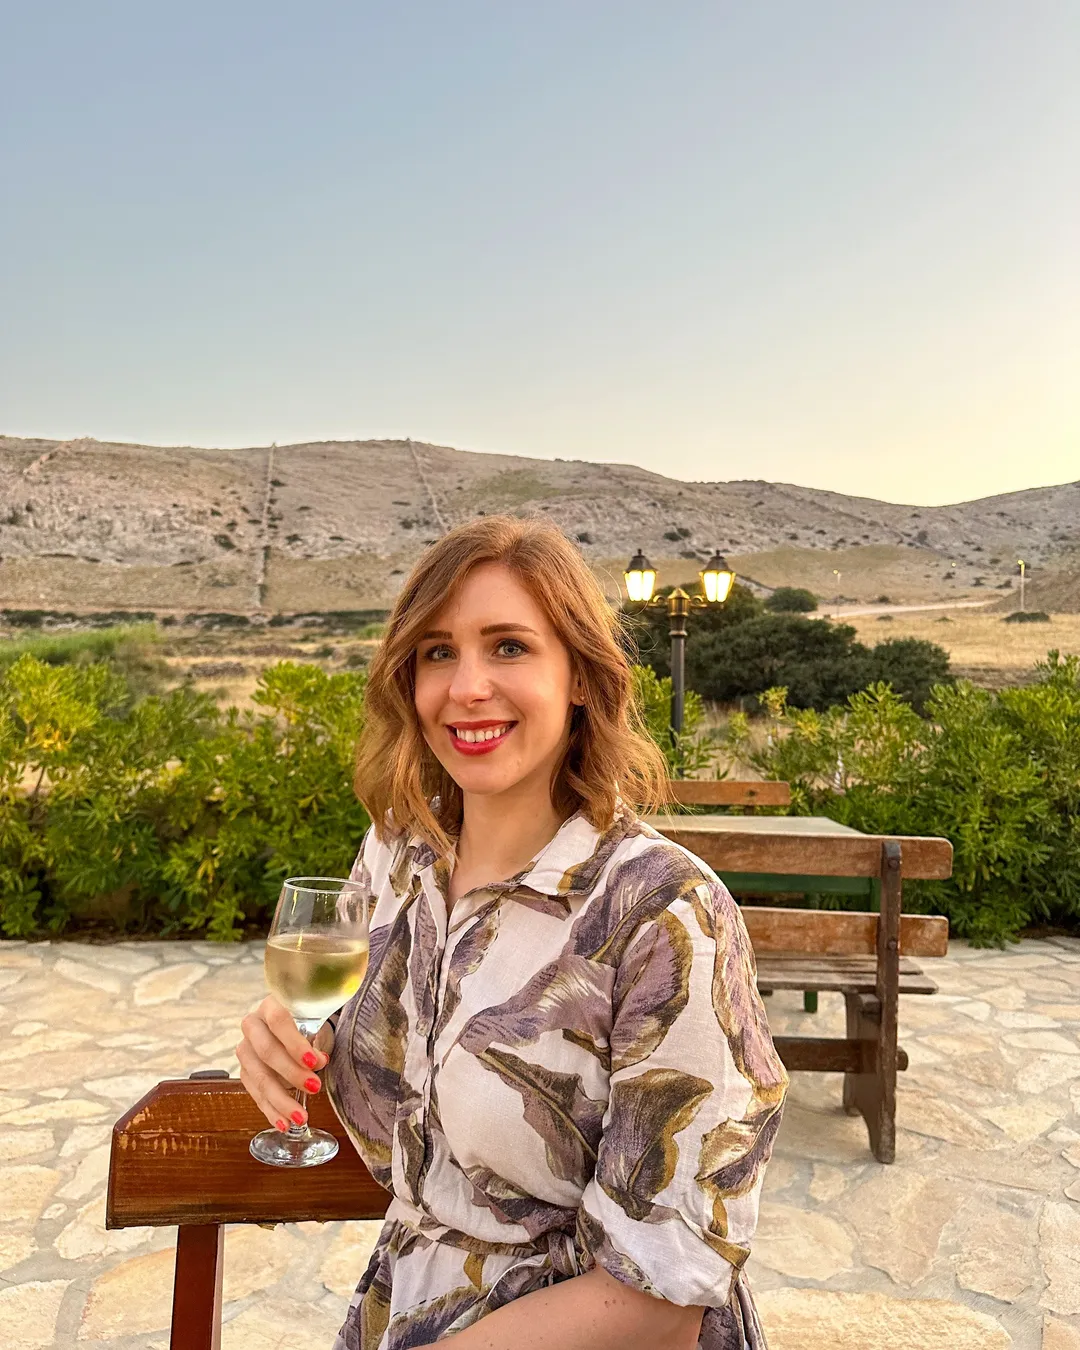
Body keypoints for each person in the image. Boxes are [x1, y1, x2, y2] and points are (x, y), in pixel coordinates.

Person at [238, 515, 788, 1350]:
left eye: (508, 647)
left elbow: (664, 1297)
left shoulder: (664, 912)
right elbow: (381, 1062)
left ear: (580, 676)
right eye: (437, 652)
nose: (466, 687)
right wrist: (288, 1041)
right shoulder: (397, 855)